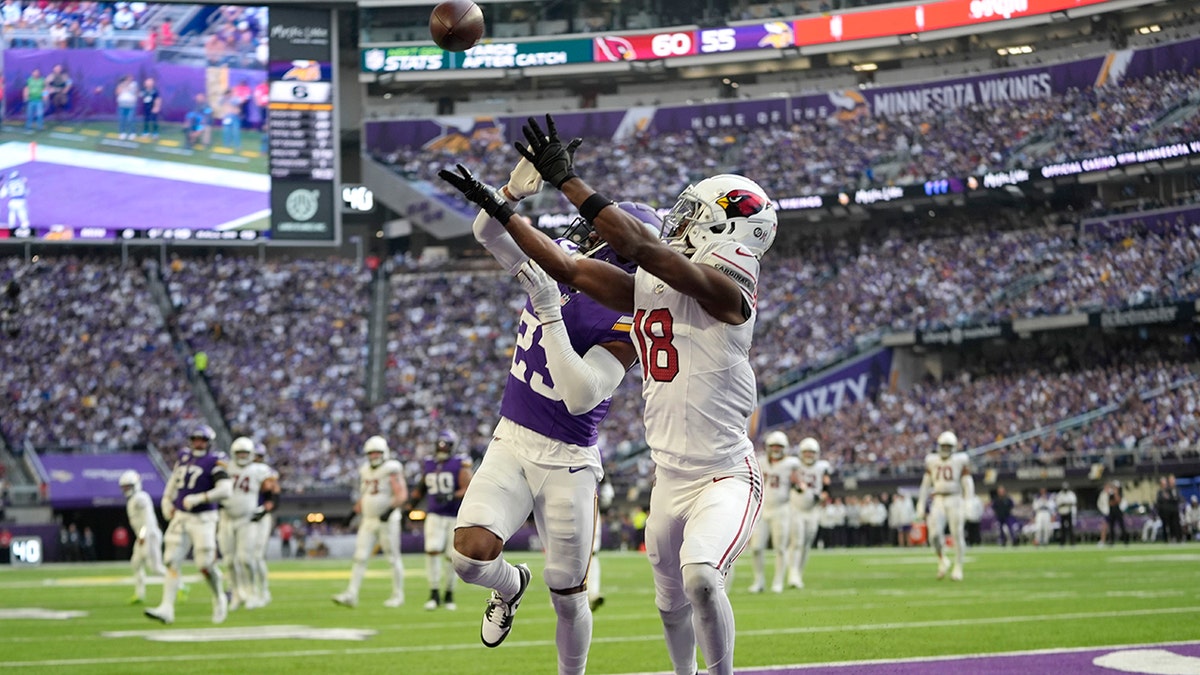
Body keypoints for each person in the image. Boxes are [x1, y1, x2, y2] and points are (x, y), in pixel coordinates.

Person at [440, 113, 778, 675]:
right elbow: (566, 264)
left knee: (692, 579)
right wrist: (503, 207)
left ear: (725, 231)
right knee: (670, 602)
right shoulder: (647, 289)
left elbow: (642, 253)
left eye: (695, 217)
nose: (682, 223)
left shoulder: (726, 292)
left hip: (701, 469)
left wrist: (569, 182)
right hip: (664, 473)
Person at [443, 153, 656, 675]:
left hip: (567, 459)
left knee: (568, 594)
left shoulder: (632, 311)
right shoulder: (561, 260)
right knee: (469, 556)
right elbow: (488, 235)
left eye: (607, 232)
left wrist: (550, 311)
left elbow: (582, 394)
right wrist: (510, 195)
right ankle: (511, 585)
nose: (591, 234)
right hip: (513, 438)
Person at [145, 424, 233, 625]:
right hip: (181, 517)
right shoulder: (184, 457)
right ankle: (166, 608)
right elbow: (174, 482)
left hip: (203, 519)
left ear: (209, 442)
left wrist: (200, 498)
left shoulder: (216, 460)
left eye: (202, 440)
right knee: (171, 561)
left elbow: (226, 489)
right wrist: (167, 500)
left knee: (204, 565)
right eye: (195, 439)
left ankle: (219, 596)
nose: (198, 443)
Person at [332, 435, 407, 609]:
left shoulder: (391, 468)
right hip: (368, 520)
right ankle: (351, 594)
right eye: (371, 453)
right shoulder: (365, 470)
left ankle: (398, 595)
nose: (374, 456)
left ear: (384, 453)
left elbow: (401, 494)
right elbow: (365, 494)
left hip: (387, 521)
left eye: (377, 453)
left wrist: (389, 511)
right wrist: (352, 513)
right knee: (359, 557)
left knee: (392, 558)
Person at [413, 429, 473, 611]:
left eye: (446, 445)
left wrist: (451, 496)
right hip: (434, 514)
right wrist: (411, 503)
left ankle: (449, 593)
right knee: (432, 551)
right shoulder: (430, 464)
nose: (442, 448)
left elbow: (468, 487)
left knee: (451, 556)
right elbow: (422, 486)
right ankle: (433, 593)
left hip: (453, 515)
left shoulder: (460, 463)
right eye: (440, 445)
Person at [217, 437, 277, 611]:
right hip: (227, 517)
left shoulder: (260, 470)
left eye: (245, 453)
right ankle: (237, 593)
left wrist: (266, 508)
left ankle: (254, 592)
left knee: (247, 559)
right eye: (239, 453)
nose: (242, 456)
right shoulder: (225, 467)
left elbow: (273, 491)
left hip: (248, 519)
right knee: (229, 561)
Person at [915, 431, 973, 581]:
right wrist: (920, 504)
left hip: (955, 498)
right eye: (943, 446)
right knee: (933, 535)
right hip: (938, 499)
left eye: (948, 446)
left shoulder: (960, 460)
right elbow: (925, 484)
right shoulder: (932, 460)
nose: (945, 449)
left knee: (957, 533)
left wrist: (969, 502)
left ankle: (958, 567)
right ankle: (942, 560)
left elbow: (967, 483)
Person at [747, 431, 799, 594]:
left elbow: (799, 482)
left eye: (779, 446)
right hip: (762, 509)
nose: (776, 449)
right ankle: (759, 580)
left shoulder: (792, 464)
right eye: (773, 446)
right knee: (756, 548)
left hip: (782, 509)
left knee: (780, 548)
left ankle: (778, 582)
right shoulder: (760, 461)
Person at [788, 437, 832, 588]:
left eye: (811, 452)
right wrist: (799, 487)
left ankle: (798, 574)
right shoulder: (794, 465)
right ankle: (793, 573)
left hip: (813, 510)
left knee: (807, 544)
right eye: (806, 452)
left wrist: (822, 496)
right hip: (796, 509)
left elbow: (827, 488)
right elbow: (792, 482)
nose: (808, 455)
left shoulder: (822, 467)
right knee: (797, 542)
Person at [120, 469, 165, 605]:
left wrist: (142, 535)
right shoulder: (133, 499)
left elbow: (148, 520)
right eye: (124, 487)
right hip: (143, 536)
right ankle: (140, 594)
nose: (126, 489)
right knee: (136, 563)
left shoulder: (140, 498)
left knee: (155, 568)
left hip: (149, 535)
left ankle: (180, 585)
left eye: (128, 486)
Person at [250, 441, 279, 605]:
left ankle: (263, 590)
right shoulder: (240, 471)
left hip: (260, 516)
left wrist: (265, 508)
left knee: (257, 556)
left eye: (258, 456)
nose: (256, 459)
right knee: (240, 556)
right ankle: (243, 590)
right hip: (244, 516)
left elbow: (275, 496)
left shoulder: (268, 473)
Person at [1156, 475, 1183, 543]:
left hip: (1175, 510)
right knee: (1168, 526)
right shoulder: (1164, 491)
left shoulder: (1176, 489)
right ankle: (1169, 539)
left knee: (1176, 525)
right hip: (1166, 512)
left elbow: (1178, 498)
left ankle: (1178, 538)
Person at [1103, 480, 1129, 546]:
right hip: (1111, 511)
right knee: (1111, 527)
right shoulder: (1111, 493)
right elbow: (1110, 503)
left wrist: (1116, 493)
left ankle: (1125, 541)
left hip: (1118, 511)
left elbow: (1118, 501)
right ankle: (1111, 541)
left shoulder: (1119, 493)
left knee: (1121, 526)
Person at [115, 74, 138, 140]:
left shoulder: (134, 84)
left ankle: (132, 133)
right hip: (121, 105)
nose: (129, 80)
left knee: (130, 119)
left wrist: (126, 86)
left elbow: (134, 91)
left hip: (131, 105)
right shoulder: (121, 84)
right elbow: (117, 92)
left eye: (131, 78)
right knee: (122, 119)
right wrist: (122, 86)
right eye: (128, 78)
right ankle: (122, 133)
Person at [1056, 482, 1077, 546]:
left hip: (1068, 512)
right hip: (1062, 512)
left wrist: (1065, 504)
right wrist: (1065, 504)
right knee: (1062, 528)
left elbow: (1073, 502)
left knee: (1070, 528)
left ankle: (1072, 542)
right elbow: (1058, 504)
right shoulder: (1060, 494)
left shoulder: (1071, 494)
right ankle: (1062, 543)